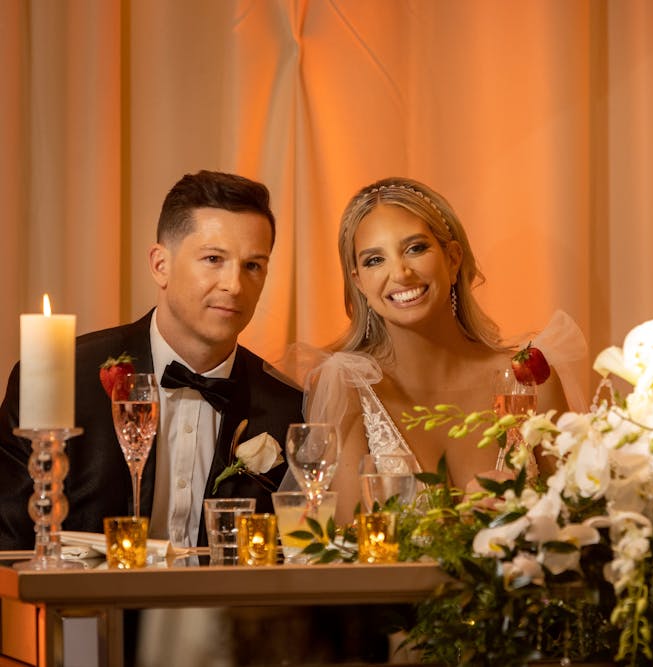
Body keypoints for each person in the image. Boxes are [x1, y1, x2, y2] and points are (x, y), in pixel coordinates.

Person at [0, 170, 304, 550]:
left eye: (253, 265)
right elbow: (9, 548)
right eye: (213, 259)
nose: (235, 285)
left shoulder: (288, 408)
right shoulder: (63, 380)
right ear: (160, 265)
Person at [293, 177, 587, 524]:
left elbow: (578, 526)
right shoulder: (346, 388)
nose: (400, 273)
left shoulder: (529, 377)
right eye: (375, 260)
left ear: (452, 258)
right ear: (359, 282)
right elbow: (349, 548)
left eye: (415, 248)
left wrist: (528, 520)